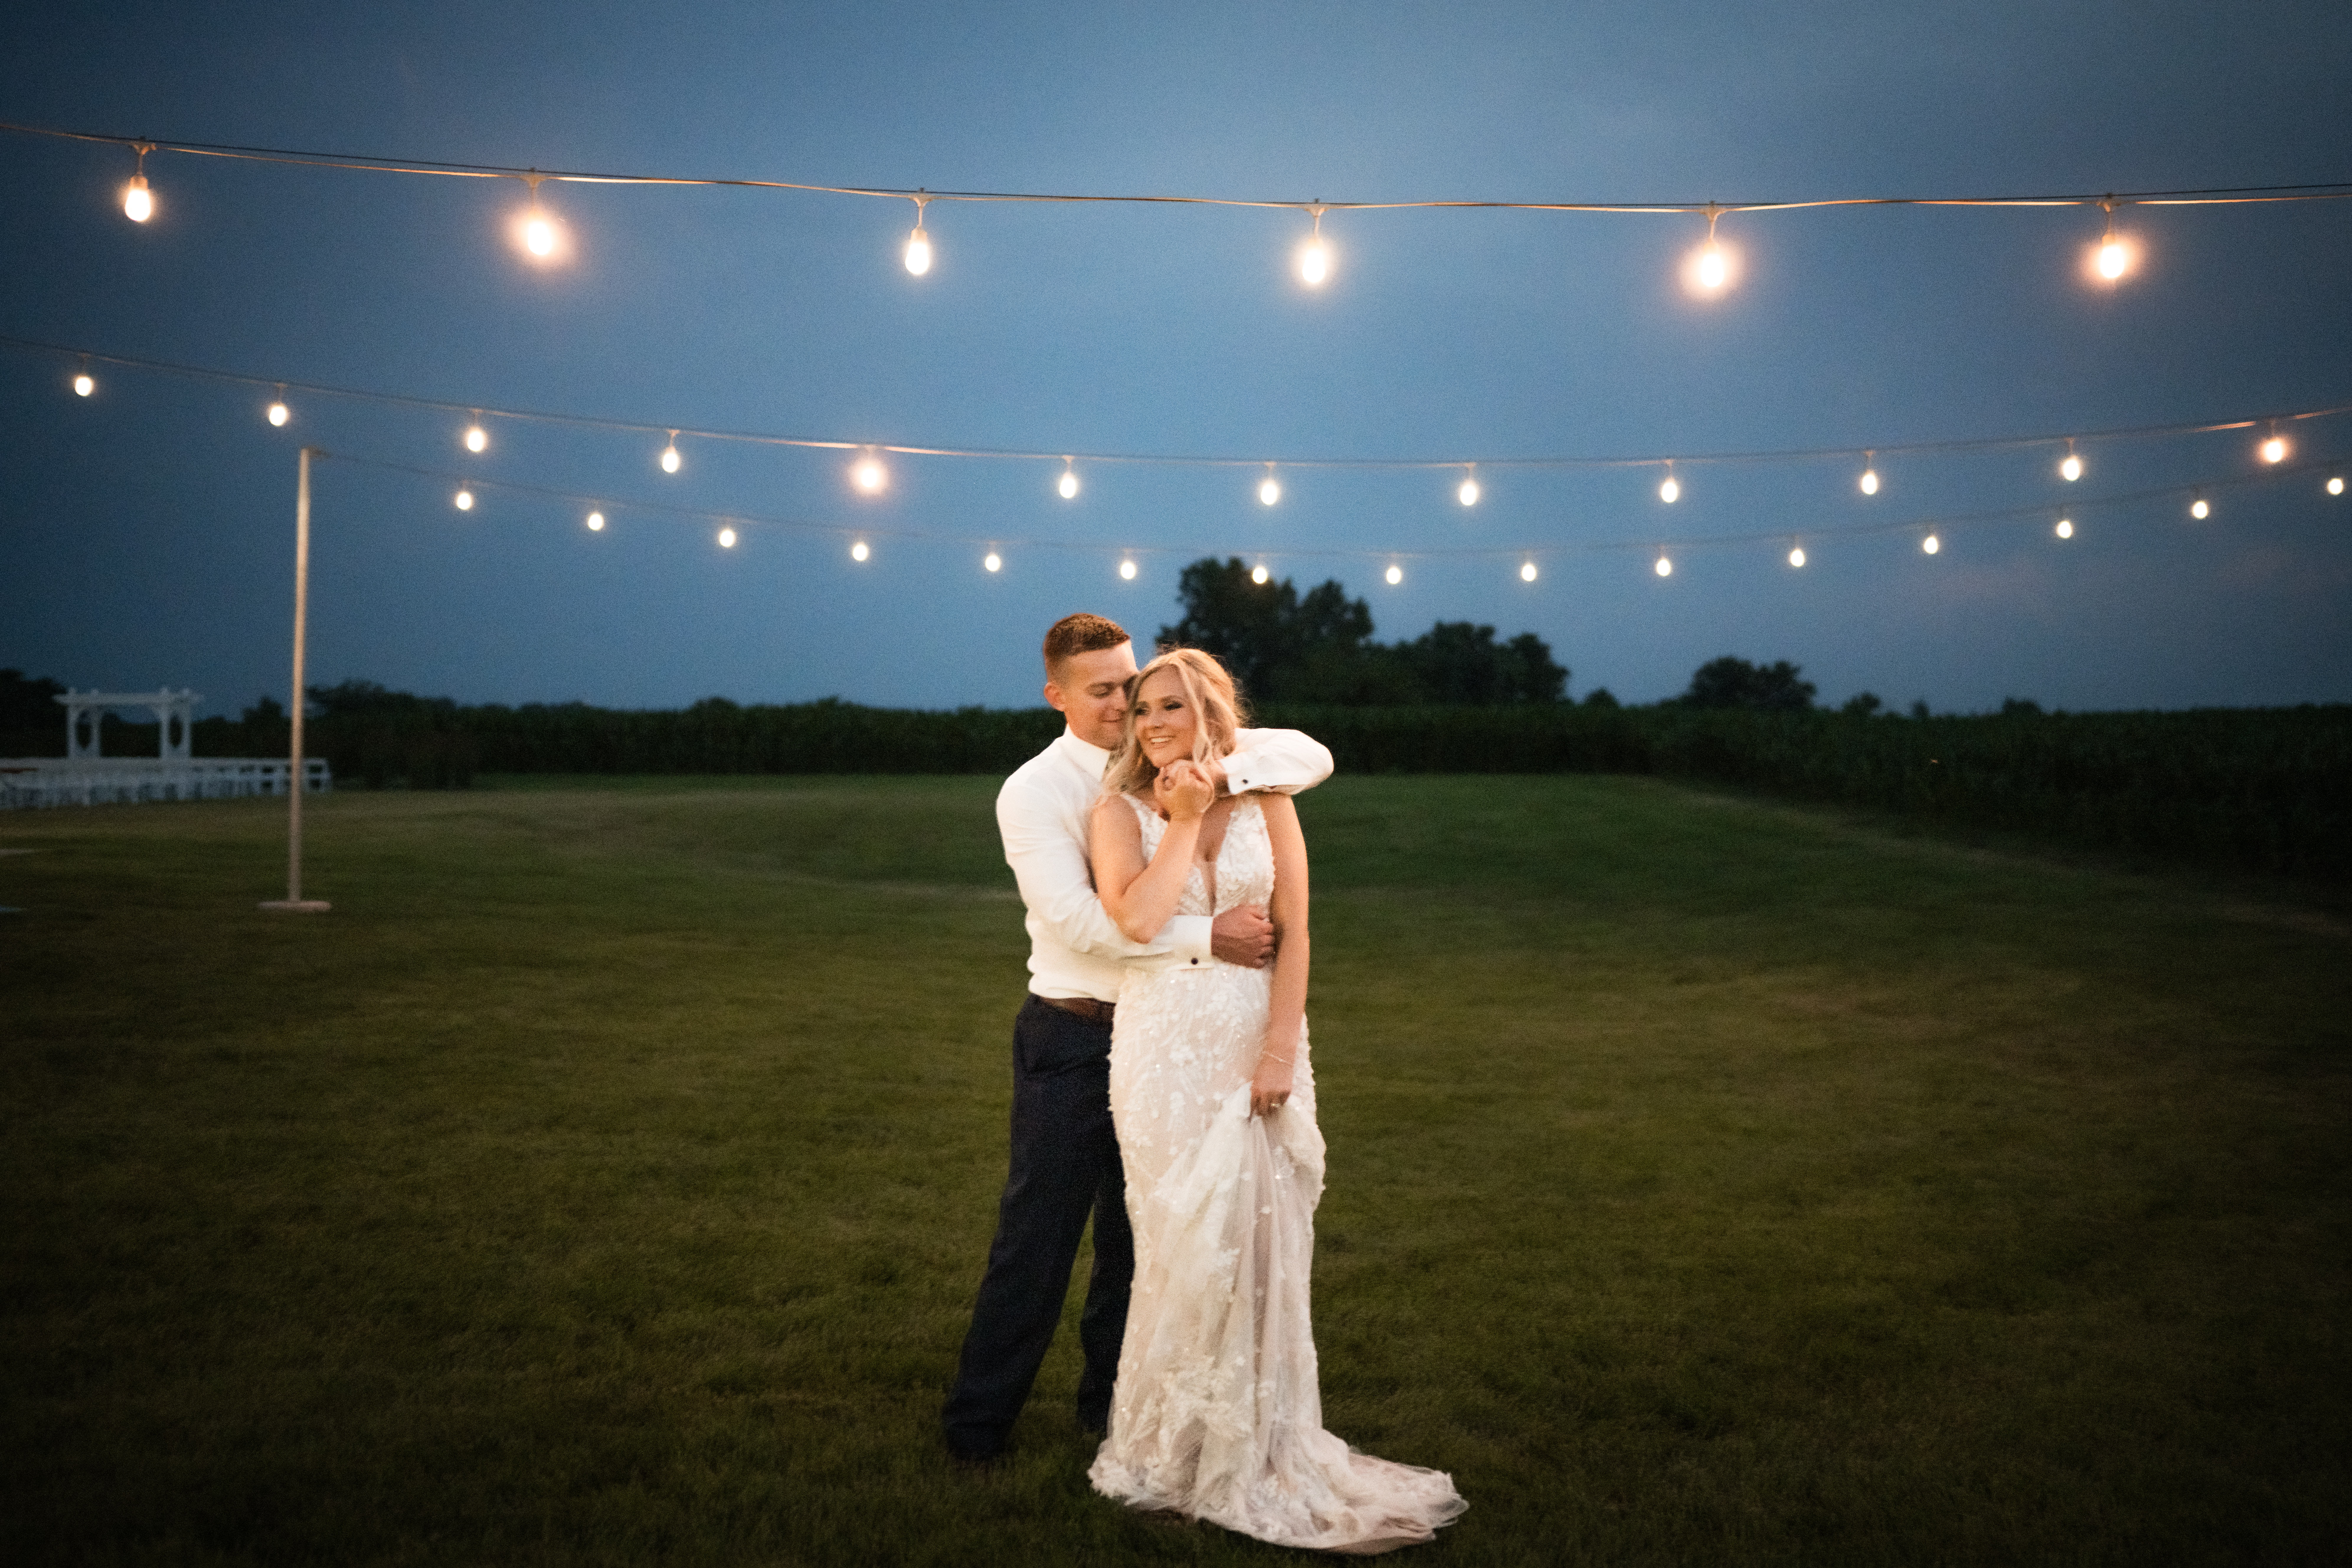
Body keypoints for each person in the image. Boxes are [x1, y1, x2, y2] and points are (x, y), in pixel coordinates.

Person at [1084, 647, 1465, 1553]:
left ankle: (1258, 1446)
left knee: (1258, 1243)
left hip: (1250, 1037)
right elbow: (1136, 920)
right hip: (1160, 1051)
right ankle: (1169, 1452)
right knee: (1180, 1245)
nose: (1153, 723)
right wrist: (1178, 819)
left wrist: (1278, 1050)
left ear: (1213, 714)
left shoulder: (1268, 799)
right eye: (1142, 710)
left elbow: (1294, 932)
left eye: (1171, 706)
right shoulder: (1115, 810)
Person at [941, 614, 1334, 1464]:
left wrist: (1230, 767)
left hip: (1183, 1035)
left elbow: (1306, 753)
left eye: (1132, 684)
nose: (1126, 705)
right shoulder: (1038, 791)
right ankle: (977, 1428)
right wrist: (1207, 939)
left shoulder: (1195, 755)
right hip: (1078, 1033)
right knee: (1037, 1239)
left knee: (1144, 1245)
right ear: (1057, 697)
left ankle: (1116, 1413)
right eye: (1104, 691)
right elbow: (1082, 924)